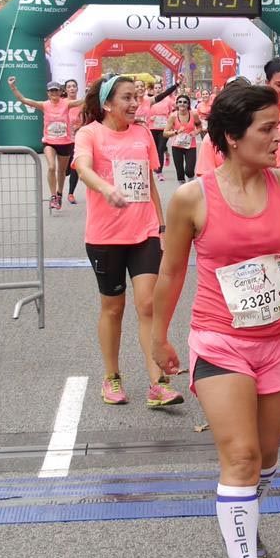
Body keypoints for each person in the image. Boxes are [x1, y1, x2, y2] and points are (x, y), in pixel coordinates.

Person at [152, 84, 280, 558]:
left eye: (279, 125)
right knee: (243, 455)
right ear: (231, 136)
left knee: (266, 459)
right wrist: (158, 338)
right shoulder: (191, 197)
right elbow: (170, 273)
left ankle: (244, 523)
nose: (279, 136)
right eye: (267, 128)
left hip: (279, 339)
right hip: (220, 340)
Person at [72, 74, 181, 409]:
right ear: (107, 103)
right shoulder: (90, 133)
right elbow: (83, 168)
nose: (135, 104)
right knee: (113, 308)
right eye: (127, 98)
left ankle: (158, 384)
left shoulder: (143, 134)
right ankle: (111, 377)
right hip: (105, 237)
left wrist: (161, 228)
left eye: (136, 97)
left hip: (144, 232)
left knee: (148, 304)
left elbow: (148, 183)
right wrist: (106, 189)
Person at [7, 77, 85, 211]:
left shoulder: (66, 104)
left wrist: (97, 89)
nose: (54, 93)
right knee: (51, 167)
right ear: (48, 93)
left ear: (61, 92)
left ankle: (60, 193)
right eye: (51, 91)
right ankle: (53, 196)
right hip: (49, 142)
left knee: (61, 171)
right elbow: (24, 100)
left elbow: (83, 100)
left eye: (56, 91)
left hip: (65, 142)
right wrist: (13, 87)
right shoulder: (44, 105)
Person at [163, 95, 199, 182]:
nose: (182, 104)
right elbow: (165, 133)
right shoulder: (173, 116)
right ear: (176, 104)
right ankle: (183, 192)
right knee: (180, 172)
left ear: (188, 104)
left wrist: (195, 132)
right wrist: (176, 132)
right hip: (177, 146)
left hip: (190, 146)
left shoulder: (194, 114)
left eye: (185, 102)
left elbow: (200, 127)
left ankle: (190, 184)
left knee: (189, 171)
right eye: (180, 102)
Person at [64, 79, 84, 204]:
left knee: (74, 167)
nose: (71, 88)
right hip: (64, 140)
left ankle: (71, 193)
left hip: (77, 139)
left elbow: (87, 119)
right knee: (65, 170)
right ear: (65, 90)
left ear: (77, 89)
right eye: (69, 87)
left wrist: (80, 126)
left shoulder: (82, 104)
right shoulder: (62, 103)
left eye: (73, 86)